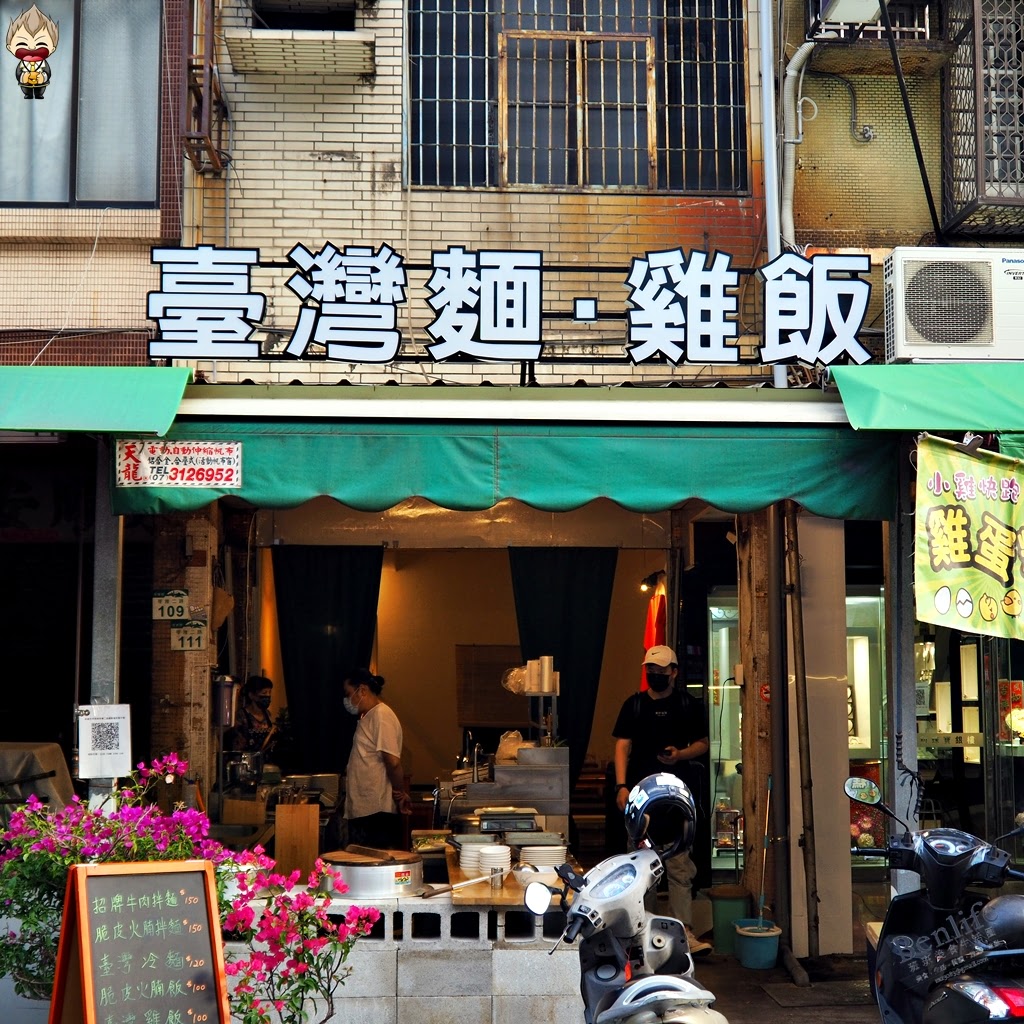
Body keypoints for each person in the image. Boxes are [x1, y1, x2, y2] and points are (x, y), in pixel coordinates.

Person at [612, 644, 712, 955]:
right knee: (643, 869)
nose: (655, 674)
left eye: (660, 670)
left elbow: (703, 744)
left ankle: (685, 935)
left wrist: (680, 754)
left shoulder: (687, 705)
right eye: (650, 670)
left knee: (681, 867)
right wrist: (620, 786)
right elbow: (621, 747)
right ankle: (643, 934)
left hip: (678, 799)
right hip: (641, 799)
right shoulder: (634, 705)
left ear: (674, 672)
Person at [342, 668, 412, 850]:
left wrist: (399, 791)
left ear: (362, 690)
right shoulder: (369, 716)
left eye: (349, 694)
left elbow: (393, 762)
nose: (347, 700)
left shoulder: (382, 715)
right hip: (365, 808)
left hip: (375, 811)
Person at [228, 675, 277, 754]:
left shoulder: (267, 714)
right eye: (264, 693)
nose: (268, 696)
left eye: (269, 692)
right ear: (252, 695)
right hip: (248, 760)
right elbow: (236, 745)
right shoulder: (241, 715)